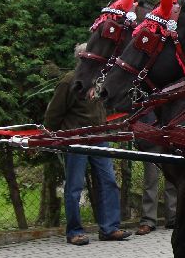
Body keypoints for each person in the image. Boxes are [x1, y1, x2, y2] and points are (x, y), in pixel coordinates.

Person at [43, 43, 131, 245]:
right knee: (75, 185)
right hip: (77, 140)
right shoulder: (69, 82)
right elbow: (54, 113)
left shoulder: (100, 80)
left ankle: (110, 228)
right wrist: (56, 136)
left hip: (99, 137)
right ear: (82, 58)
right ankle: (74, 231)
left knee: (108, 181)